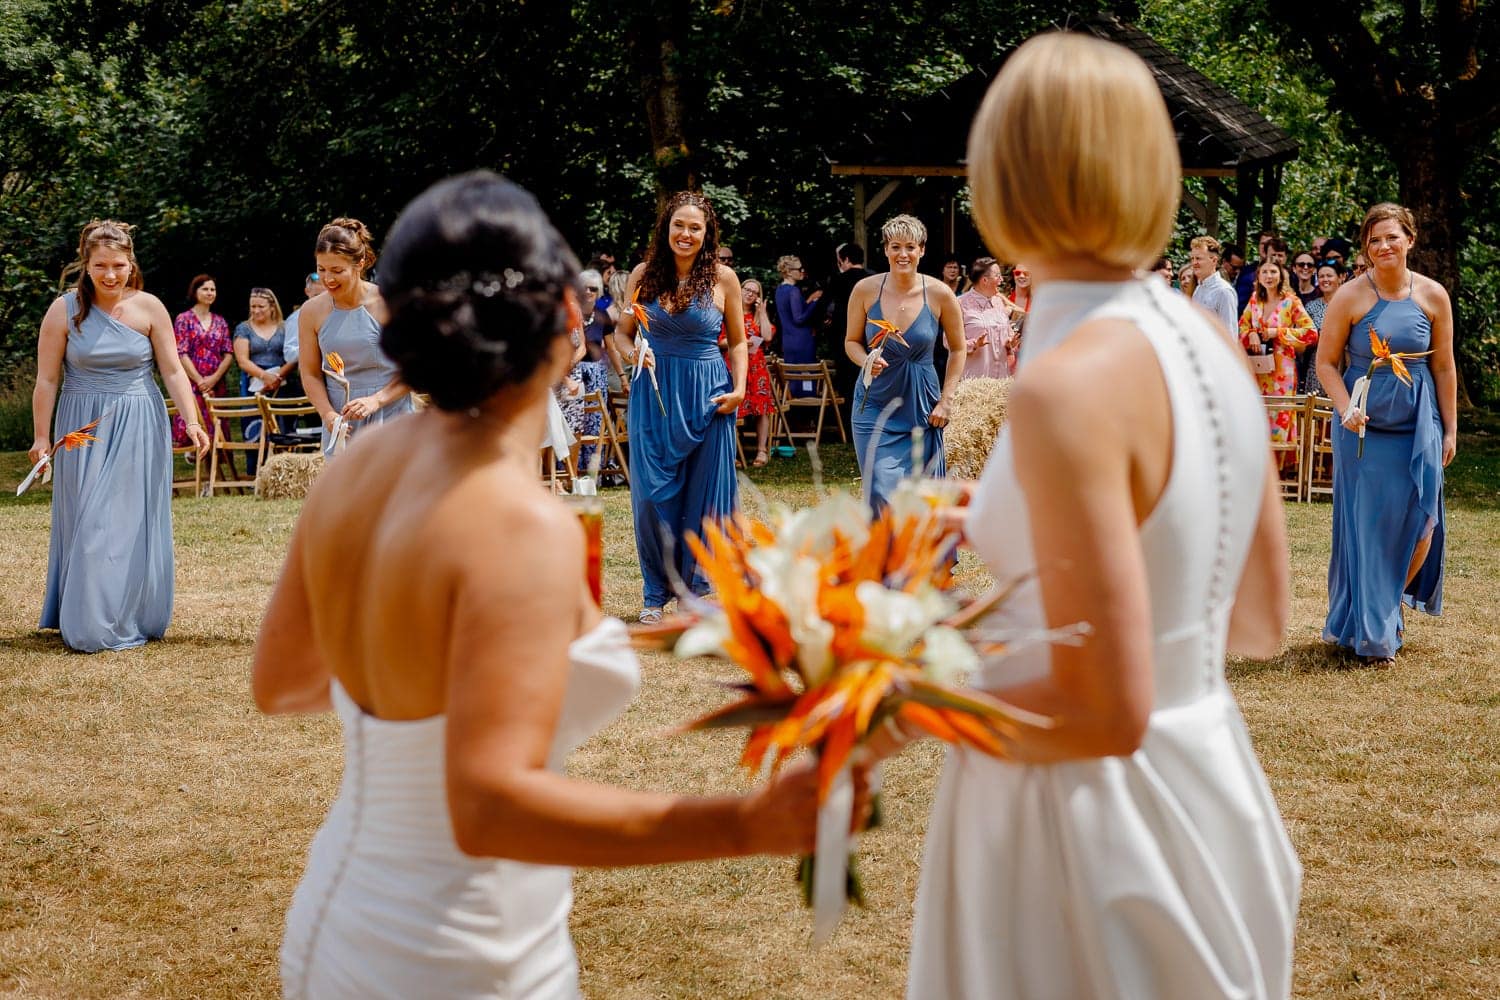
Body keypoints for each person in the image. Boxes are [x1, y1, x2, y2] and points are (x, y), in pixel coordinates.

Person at [254, 172, 850, 1000]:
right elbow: (489, 810)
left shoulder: (362, 474)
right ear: (571, 322)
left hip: (337, 918)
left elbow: (282, 682)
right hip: (464, 951)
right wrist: (748, 822)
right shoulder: (519, 525)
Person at [887, 32, 1300, 998]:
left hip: (1084, 833)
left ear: (1003, 177)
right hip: (1212, 787)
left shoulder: (1065, 385)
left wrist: (895, 682)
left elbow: (1103, 707)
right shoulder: (1204, 336)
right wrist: (998, 516)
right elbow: (1255, 619)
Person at [31, 221, 211, 652]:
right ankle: (89, 620)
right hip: (81, 426)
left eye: (118, 265)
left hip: (139, 420)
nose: (110, 275)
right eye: (100, 266)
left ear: (131, 263)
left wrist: (192, 420)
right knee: (90, 520)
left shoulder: (150, 308)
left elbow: (170, 369)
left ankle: (130, 611)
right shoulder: (63, 310)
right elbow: (47, 379)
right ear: (86, 265)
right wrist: (41, 438)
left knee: (128, 520)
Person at [1316, 202, 1455, 666]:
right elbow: (1325, 364)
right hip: (1363, 431)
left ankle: (1387, 602)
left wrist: (1450, 428)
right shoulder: (1351, 296)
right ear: (1366, 248)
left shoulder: (1434, 296)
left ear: (1410, 240)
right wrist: (1346, 408)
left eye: (1392, 237)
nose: (1383, 247)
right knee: (1370, 529)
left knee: (1423, 524)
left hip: (1420, 424)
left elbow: (1443, 366)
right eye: (1374, 240)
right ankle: (1375, 628)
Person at [615, 191, 745, 624]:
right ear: (666, 227)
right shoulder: (643, 274)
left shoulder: (723, 279)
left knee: (705, 497)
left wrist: (741, 389)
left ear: (706, 235)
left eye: (695, 228)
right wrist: (634, 353)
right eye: (679, 225)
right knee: (652, 496)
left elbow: (740, 342)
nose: (685, 234)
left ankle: (700, 592)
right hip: (653, 394)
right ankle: (656, 591)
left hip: (709, 394)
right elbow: (621, 334)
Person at [844, 214, 964, 511]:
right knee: (881, 494)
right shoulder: (864, 290)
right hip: (873, 404)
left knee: (921, 499)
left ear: (922, 250)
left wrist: (946, 401)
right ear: (885, 249)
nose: (903, 254)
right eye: (895, 246)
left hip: (921, 405)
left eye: (910, 247)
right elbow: (851, 342)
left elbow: (958, 349)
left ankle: (918, 558)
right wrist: (866, 360)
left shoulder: (940, 294)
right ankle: (886, 557)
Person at [298, 218, 413, 456]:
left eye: (337, 270)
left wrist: (376, 400)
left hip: (392, 416)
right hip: (342, 424)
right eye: (321, 270)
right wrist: (327, 414)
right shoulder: (310, 312)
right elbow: (310, 373)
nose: (328, 279)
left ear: (359, 264)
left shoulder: (390, 302)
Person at [1239, 259, 1317, 465]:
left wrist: (1278, 332)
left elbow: (1310, 333)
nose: (1269, 276)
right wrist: (1251, 334)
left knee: (1279, 412)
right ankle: (1257, 464)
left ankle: (1279, 466)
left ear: (1281, 275)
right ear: (1258, 276)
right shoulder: (1255, 299)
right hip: (1258, 366)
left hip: (1283, 368)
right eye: (1264, 272)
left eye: (1273, 272)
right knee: (1257, 411)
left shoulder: (1291, 301)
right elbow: (1241, 327)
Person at [233, 287, 293, 474]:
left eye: (261, 306)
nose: (256, 310)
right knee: (254, 426)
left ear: (272, 307)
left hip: (281, 382)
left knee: (283, 425)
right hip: (254, 383)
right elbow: (242, 360)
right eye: (253, 306)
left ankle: (285, 471)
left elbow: (294, 355)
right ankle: (256, 472)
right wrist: (264, 376)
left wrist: (279, 376)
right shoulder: (244, 329)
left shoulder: (285, 328)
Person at [172, 273, 233, 445]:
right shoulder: (184, 319)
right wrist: (200, 381)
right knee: (195, 428)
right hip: (192, 383)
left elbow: (228, 353)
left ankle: (213, 470)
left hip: (216, 384)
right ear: (195, 292)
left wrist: (213, 379)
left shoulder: (220, 321)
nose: (209, 293)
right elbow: (181, 353)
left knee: (217, 435)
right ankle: (195, 458)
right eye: (205, 289)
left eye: (213, 289)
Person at [728, 277, 777, 466]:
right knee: (733, 408)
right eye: (747, 290)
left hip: (756, 368)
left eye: (755, 292)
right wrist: (739, 343)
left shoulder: (758, 316)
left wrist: (762, 312)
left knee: (761, 409)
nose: (750, 294)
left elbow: (767, 336)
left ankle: (761, 451)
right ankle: (732, 452)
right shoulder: (729, 313)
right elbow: (718, 340)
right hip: (733, 366)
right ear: (740, 290)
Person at [958, 257, 1015, 379]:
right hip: (974, 384)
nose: (1001, 280)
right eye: (998, 276)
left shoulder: (999, 302)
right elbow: (949, 343)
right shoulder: (960, 303)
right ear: (984, 280)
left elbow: (1008, 333)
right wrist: (973, 344)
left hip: (1001, 381)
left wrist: (1010, 342)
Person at [774, 254, 822, 395]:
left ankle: (794, 413)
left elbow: (790, 314)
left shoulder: (779, 290)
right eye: (799, 269)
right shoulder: (793, 291)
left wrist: (807, 301)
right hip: (803, 341)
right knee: (806, 377)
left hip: (788, 340)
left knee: (793, 379)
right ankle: (807, 411)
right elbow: (799, 318)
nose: (802, 271)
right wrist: (814, 301)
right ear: (788, 271)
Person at [1302, 259, 1346, 395]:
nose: (1325, 279)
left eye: (1329, 276)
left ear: (1341, 277)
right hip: (1317, 365)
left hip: (1344, 364)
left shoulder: (1349, 304)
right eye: (1321, 276)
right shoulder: (1311, 307)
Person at [1189, 235, 1239, 336]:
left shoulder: (1224, 291)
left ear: (1214, 260)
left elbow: (1230, 335)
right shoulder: (1198, 290)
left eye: (1198, 258)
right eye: (1192, 258)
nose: (1194, 263)